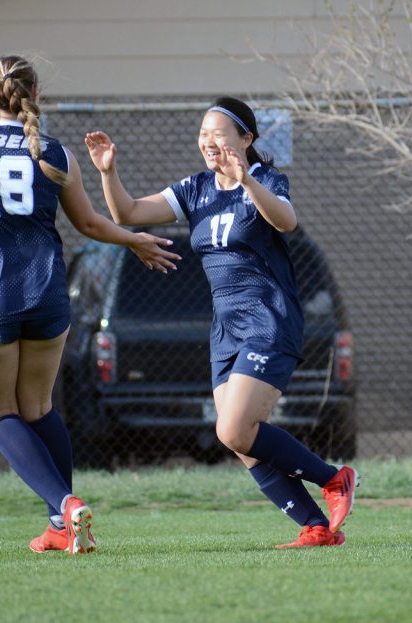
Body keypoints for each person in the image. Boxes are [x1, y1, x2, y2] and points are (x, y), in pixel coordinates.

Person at [84, 97, 358, 549]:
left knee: (232, 428)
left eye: (218, 133)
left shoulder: (266, 180)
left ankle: (333, 479)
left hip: (268, 317)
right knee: (240, 441)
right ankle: (316, 527)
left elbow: (286, 221)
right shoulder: (196, 189)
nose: (208, 141)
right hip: (225, 326)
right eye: (203, 134)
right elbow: (127, 214)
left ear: (246, 140)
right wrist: (107, 171)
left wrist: (247, 179)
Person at [0, 55, 181, 554]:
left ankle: (64, 506)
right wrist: (136, 240)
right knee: (38, 407)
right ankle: (62, 526)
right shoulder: (55, 152)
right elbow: (91, 225)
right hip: (46, 292)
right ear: (35, 94)